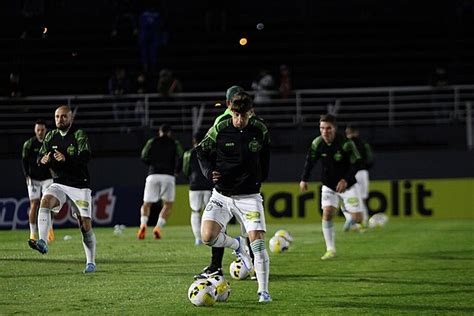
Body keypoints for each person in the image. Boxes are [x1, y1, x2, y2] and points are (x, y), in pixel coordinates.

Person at [196, 91, 272, 302]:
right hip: (221, 194)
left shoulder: (260, 130)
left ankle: (263, 291)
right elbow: (201, 150)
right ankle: (237, 245)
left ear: (251, 113)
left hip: (249, 196)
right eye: (236, 115)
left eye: (243, 116)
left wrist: (258, 179)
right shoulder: (220, 128)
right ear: (231, 112)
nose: (239, 120)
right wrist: (209, 171)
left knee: (258, 244)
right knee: (207, 237)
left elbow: (266, 157)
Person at [30, 105, 96, 273]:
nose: (60, 120)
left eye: (64, 117)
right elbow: (40, 156)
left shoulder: (78, 134)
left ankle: (90, 262)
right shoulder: (51, 135)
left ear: (71, 118)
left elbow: (86, 156)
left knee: (85, 225)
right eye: (57, 117)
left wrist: (67, 159)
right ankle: (43, 242)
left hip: (80, 184)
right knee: (45, 201)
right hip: (59, 183)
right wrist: (42, 160)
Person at [193, 85, 246, 279]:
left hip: (244, 185)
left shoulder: (249, 119)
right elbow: (203, 150)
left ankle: (247, 264)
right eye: (235, 101)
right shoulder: (223, 121)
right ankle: (218, 265)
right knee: (220, 227)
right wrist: (210, 172)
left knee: (248, 228)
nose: (238, 106)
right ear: (228, 103)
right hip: (227, 185)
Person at [299, 114, 363, 260]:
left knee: (358, 219)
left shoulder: (345, 143)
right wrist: (304, 179)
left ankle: (348, 213)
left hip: (348, 186)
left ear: (335, 129)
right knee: (327, 213)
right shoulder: (317, 143)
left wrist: (345, 180)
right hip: (328, 185)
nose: (325, 131)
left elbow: (357, 162)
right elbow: (310, 161)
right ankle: (330, 249)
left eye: (328, 128)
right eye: (322, 128)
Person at [137, 124, 183, 239]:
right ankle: (158, 227)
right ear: (169, 133)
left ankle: (143, 225)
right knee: (168, 204)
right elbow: (182, 156)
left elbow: (143, 156)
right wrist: (177, 171)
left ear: (160, 132)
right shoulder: (175, 142)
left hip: (153, 175)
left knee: (146, 204)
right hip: (168, 176)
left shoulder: (152, 141)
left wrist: (152, 166)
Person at [22, 119, 54, 247]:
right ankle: (32, 233)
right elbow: (24, 160)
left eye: (42, 130)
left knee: (47, 204)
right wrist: (27, 175)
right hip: (34, 179)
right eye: (38, 130)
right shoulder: (29, 144)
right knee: (34, 204)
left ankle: (50, 230)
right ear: (35, 130)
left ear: (45, 130)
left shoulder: (50, 143)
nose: (40, 132)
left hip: (47, 178)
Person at [182, 131, 213, 245]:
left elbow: (185, 170)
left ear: (193, 141)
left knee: (195, 211)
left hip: (194, 186)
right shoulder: (208, 152)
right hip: (207, 185)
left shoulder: (188, 154)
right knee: (209, 212)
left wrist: (190, 179)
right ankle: (209, 237)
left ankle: (198, 238)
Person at [344, 125, 374, 230]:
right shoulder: (364, 143)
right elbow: (370, 159)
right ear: (357, 132)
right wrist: (364, 166)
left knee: (351, 197)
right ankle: (363, 220)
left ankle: (353, 219)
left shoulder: (345, 144)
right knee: (362, 198)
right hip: (362, 172)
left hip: (351, 173)